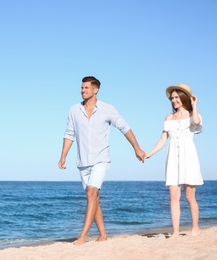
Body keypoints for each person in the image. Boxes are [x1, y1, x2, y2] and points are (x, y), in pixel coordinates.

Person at [58, 76, 145, 245]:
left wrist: (137, 148)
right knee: (94, 198)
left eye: (86, 88)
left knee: (91, 193)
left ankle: (83, 236)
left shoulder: (107, 109)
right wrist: (63, 156)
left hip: (101, 159)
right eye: (82, 88)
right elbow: (69, 134)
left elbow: (124, 127)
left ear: (95, 90)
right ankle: (103, 235)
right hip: (82, 161)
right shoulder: (74, 110)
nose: (83, 90)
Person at [145, 83, 203, 239]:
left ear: (184, 97)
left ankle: (195, 228)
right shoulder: (169, 118)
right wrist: (149, 153)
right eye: (172, 98)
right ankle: (176, 231)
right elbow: (163, 139)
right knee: (173, 196)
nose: (174, 100)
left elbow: (196, 123)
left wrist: (194, 105)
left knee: (190, 197)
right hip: (172, 158)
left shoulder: (193, 115)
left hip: (188, 157)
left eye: (177, 97)